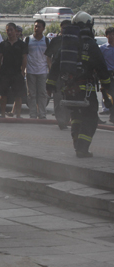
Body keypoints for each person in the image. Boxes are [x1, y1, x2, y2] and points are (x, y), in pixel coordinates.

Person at [46, 11, 110, 158]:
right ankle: (82, 147)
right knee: (91, 118)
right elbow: (101, 66)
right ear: (88, 25)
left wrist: (50, 84)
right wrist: (107, 85)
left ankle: (76, 140)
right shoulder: (91, 44)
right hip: (85, 89)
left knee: (76, 114)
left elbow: (56, 63)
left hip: (68, 88)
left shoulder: (68, 43)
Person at [0, 23, 28, 118]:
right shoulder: (3, 44)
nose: (9, 32)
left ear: (15, 31)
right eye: (7, 30)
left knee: (18, 95)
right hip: (5, 72)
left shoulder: (22, 44)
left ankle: (18, 115)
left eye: (11, 30)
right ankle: (2, 114)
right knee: (3, 95)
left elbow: (24, 58)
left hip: (17, 73)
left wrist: (23, 71)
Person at [45, 20, 72, 129]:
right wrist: (52, 69)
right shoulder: (55, 41)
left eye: (67, 28)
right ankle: (61, 121)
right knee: (58, 98)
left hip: (70, 75)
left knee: (70, 97)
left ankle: (67, 119)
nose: (65, 30)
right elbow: (48, 56)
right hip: (57, 75)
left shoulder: (74, 41)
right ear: (60, 28)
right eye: (63, 28)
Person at [25, 20, 49, 119]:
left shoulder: (47, 41)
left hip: (43, 71)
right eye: (35, 26)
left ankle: (42, 114)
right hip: (30, 71)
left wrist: (50, 70)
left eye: (39, 27)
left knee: (43, 94)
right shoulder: (28, 40)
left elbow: (49, 57)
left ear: (43, 28)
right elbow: (24, 56)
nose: (37, 28)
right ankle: (33, 114)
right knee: (31, 94)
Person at [100, 27, 114, 123]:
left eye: (113, 34)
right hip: (108, 75)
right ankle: (112, 115)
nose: (111, 36)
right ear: (106, 36)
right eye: (109, 34)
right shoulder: (103, 48)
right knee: (110, 95)